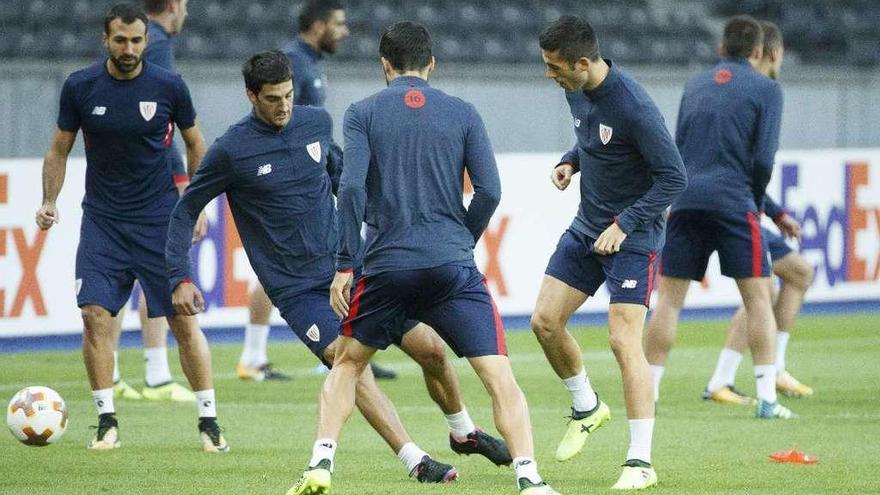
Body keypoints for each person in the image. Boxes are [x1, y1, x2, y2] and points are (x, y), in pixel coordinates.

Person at [166, 50, 511, 487]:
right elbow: (185, 210)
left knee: (432, 351)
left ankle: (462, 431)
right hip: (298, 290)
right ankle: (415, 459)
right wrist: (179, 276)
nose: (284, 106)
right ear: (251, 95)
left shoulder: (315, 123)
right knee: (347, 364)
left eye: (289, 95)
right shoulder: (231, 151)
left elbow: (343, 178)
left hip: (350, 270)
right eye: (273, 98)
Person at [291, 22, 559, 495]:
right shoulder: (463, 113)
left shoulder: (363, 113)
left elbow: (350, 188)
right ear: (431, 64)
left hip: (387, 266)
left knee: (349, 365)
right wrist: (461, 238)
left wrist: (345, 264)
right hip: (451, 267)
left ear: (385, 66)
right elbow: (490, 191)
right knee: (499, 377)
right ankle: (530, 479)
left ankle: (320, 463)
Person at [35, 2, 227, 452]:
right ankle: (106, 421)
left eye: (137, 40)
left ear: (146, 40)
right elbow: (58, 150)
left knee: (182, 319)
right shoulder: (81, 87)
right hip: (102, 221)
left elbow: (196, 143)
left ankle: (209, 421)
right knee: (94, 316)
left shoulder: (168, 86)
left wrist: (196, 203)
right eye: (120, 40)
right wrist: (48, 200)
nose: (128, 48)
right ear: (106, 39)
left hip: (159, 221)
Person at [531, 15, 687, 491]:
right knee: (544, 322)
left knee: (622, 341)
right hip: (586, 230)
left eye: (555, 67)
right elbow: (594, 139)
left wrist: (625, 223)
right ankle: (587, 407)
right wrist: (569, 161)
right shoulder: (574, 87)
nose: (548, 75)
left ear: (583, 63)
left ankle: (640, 462)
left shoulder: (635, 105)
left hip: (633, 239)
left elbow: (674, 178)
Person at [644, 15, 796, 420]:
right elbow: (763, 157)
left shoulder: (693, 85)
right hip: (734, 201)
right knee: (758, 298)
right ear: (760, 51)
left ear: (721, 48)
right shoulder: (767, 89)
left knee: (669, 303)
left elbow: (676, 147)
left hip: (687, 199)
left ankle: (649, 392)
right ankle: (767, 398)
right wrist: (758, 199)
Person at [237, 0, 398, 381]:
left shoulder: (309, 64)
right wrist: (342, 172)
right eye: (339, 24)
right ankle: (260, 355)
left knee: (303, 263)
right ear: (319, 25)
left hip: (311, 174)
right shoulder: (295, 65)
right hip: (298, 180)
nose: (344, 32)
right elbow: (300, 133)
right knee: (291, 266)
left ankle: (340, 342)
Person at [703, 22, 815, 404]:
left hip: (734, 202)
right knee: (763, 287)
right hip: (733, 208)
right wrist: (764, 208)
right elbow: (751, 167)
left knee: (794, 275)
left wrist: (774, 210)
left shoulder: (725, 91)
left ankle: (748, 374)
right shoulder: (762, 93)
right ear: (770, 53)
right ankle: (731, 379)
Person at [110, 0, 201, 403]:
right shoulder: (157, 44)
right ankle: (155, 373)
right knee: (151, 274)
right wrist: (184, 186)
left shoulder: (137, 44)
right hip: (149, 186)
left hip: (123, 179)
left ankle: (141, 372)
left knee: (121, 279)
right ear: (175, 4)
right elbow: (164, 128)